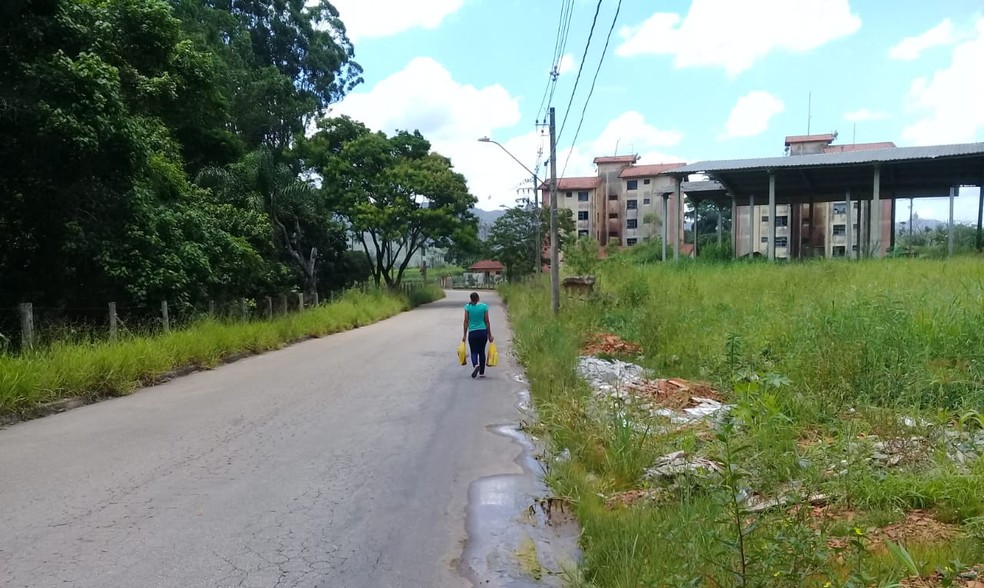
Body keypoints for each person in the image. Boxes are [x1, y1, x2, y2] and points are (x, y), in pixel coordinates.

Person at [462, 292, 494, 379]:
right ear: (478, 298)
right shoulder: (484, 306)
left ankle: (476, 365)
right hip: (483, 332)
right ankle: (482, 372)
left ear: (471, 299)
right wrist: (490, 335)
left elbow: (466, 321)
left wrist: (464, 335)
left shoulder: (467, 307)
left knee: (473, 351)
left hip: (472, 333)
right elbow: (487, 321)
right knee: (481, 351)